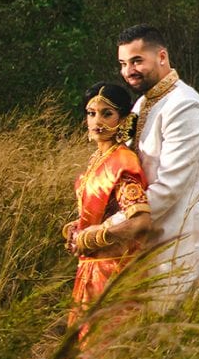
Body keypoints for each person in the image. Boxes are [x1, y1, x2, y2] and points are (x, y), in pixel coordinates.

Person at [116, 24, 199, 305]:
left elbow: (170, 188)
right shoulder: (141, 105)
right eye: (123, 64)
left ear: (162, 57)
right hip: (145, 239)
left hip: (179, 240)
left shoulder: (185, 106)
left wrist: (109, 227)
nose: (128, 71)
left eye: (137, 61)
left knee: (178, 339)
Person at [61, 82, 152, 340]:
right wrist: (75, 230)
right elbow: (103, 213)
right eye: (91, 114)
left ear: (123, 119)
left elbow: (140, 221)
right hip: (90, 268)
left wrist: (92, 238)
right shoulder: (98, 159)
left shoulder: (122, 161)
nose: (97, 121)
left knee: (101, 353)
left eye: (106, 113)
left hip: (111, 271)